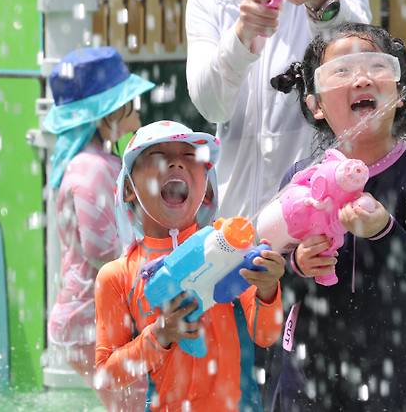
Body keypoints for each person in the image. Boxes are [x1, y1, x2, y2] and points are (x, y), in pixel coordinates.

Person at [267, 22, 406, 411]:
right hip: (309, 374)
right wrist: (298, 264)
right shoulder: (302, 178)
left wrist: (382, 230)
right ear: (315, 103)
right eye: (342, 70)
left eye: (376, 67)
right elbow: (273, 277)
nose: (362, 79)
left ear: (401, 94)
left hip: (399, 373)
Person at [94, 120, 285, 411]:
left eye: (189, 157)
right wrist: (160, 335)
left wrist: (268, 289)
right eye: (158, 157)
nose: (177, 165)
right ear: (129, 189)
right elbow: (106, 377)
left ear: (207, 190)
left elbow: (266, 335)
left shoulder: (229, 250)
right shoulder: (118, 276)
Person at [185, 0, 371, 218]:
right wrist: (242, 35)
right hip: (234, 221)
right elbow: (211, 106)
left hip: (320, 215)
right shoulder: (209, 0)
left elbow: (359, 60)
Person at [43, 46, 155, 410]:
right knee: (135, 401)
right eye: (130, 106)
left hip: (85, 318)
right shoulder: (90, 168)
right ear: (105, 112)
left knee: (129, 401)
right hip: (89, 321)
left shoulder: (87, 163)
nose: (137, 116)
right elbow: (101, 251)